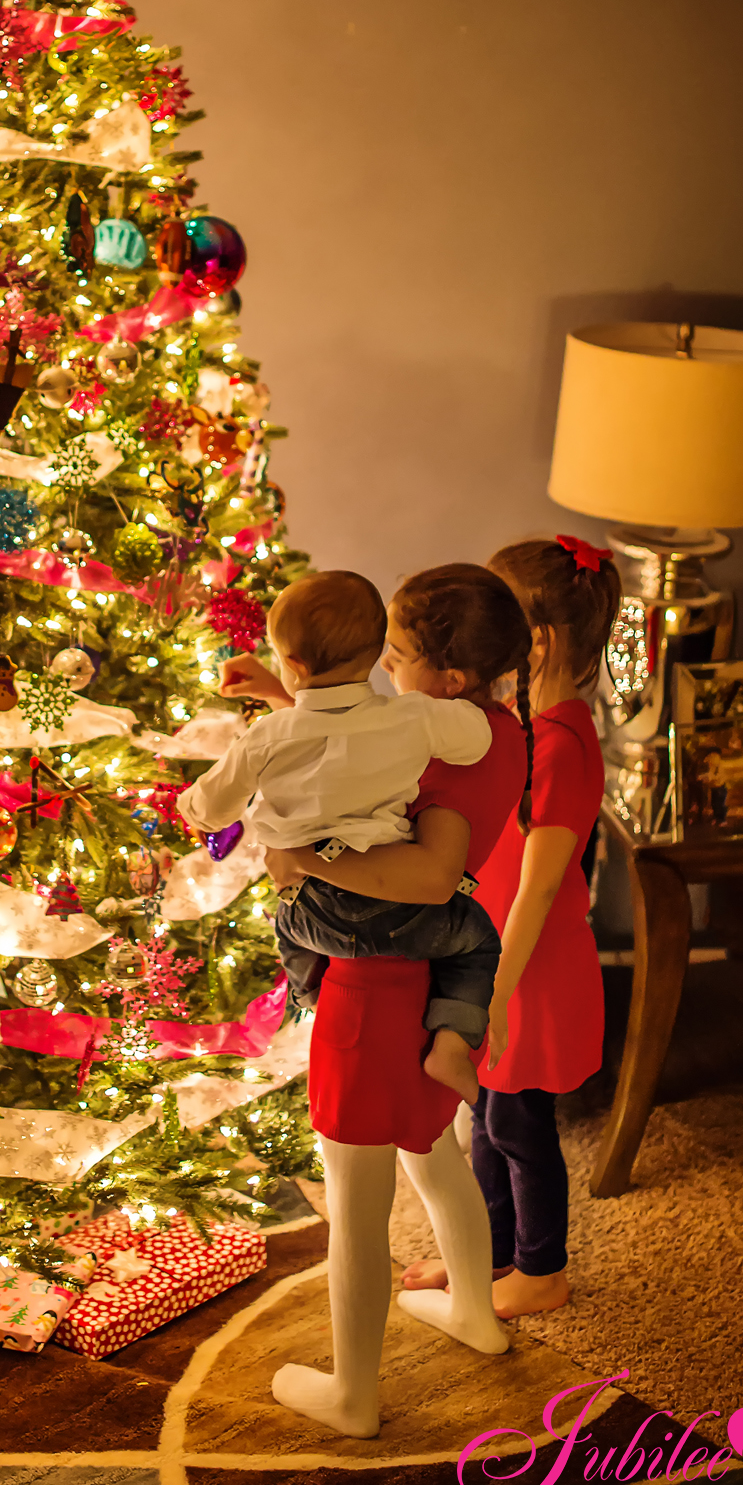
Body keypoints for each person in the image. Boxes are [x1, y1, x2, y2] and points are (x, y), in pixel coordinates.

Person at [219, 564, 536, 1436]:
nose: (382, 672)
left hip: (372, 992)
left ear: (451, 678)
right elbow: (340, 734)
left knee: (353, 1207)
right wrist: (276, 696)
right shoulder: (489, 732)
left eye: (393, 656)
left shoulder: (430, 742)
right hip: (431, 993)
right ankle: (474, 1311)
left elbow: (431, 877)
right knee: (432, 1154)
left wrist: (304, 863)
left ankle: (354, 1394)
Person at [393, 534, 620, 1321]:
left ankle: (541, 1268)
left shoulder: (561, 744)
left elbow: (540, 887)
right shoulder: (518, 725)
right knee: (482, 1121)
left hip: (528, 969)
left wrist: (490, 991)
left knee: (517, 1126)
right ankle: (484, 1254)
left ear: (541, 641)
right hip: (492, 961)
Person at [177, 570, 496, 1101]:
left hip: (310, 914)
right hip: (399, 912)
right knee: (477, 937)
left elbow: (209, 811)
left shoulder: (267, 736)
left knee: (281, 922)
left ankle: (311, 999)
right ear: (375, 655)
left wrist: (189, 803)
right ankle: (452, 1043)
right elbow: (476, 741)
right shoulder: (412, 717)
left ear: (295, 666)